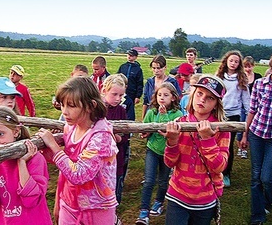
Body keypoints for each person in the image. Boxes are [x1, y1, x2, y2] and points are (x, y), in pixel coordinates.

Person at [38, 76, 119, 225]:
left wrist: (55, 147)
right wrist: (47, 151)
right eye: (62, 105)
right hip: (69, 201)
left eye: (71, 106)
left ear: (90, 106)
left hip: (97, 208)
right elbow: (68, 161)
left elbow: (80, 174)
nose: (65, 111)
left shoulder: (101, 137)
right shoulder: (71, 127)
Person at [163, 75, 230, 225]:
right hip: (178, 194)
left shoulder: (222, 129)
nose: (203, 100)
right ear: (193, 95)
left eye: (210, 98)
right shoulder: (179, 123)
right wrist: (172, 141)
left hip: (205, 198)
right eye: (199, 94)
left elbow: (219, 167)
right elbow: (169, 163)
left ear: (216, 104)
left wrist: (207, 139)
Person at [0, 106, 52, 225]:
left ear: (16, 131)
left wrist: (22, 164)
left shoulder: (35, 159)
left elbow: (31, 200)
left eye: (0, 134)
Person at [240, 44, 272, 225]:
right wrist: (245, 135)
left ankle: (270, 198)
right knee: (255, 177)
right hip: (256, 135)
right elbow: (252, 111)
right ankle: (258, 215)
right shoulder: (260, 84)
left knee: (267, 177)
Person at [136, 82, 183, 225]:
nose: (162, 98)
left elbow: (171, 130)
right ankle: (144, 211)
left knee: (163, 181)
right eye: (159, 95)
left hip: (168, 152)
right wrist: (145, 133)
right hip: (153, 149)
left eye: (166, 95)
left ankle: (158, 202)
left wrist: (163, 118)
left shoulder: (178, 114)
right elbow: (146, 127)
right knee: (149, 181)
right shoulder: (152, 112)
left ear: (173, 98)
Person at [216, 50, 250, 187]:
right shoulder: (219, 77)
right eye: (231, 60)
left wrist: (248, 115)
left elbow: (246, 100)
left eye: (236, 61)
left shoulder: (241, 79)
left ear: (239, 64)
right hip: (218, 114)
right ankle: (214, 170)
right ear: (226, 61)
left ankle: (226, 173)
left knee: (227, 146)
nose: (233, 63)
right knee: (214, 142)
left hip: (233, 115)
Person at [101, 74, 130, 207]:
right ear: (104, 90)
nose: (118, 99)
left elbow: (125, 136)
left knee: (114, 192)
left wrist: (119, 138)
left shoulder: (121, 111)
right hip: (99, 160)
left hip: (116, 158)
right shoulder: (97, 109)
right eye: (114, 94)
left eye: (121, 95)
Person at [236, 56, 262, 159]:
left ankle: (245, 149)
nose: (247, 69)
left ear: (253, 66)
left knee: (249, 129)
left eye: (249, 66)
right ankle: (240, 147)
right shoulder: (240, 77)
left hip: (253, 108)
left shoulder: (258, 77)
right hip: (241, 107)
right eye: (245, 66)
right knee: (240, 129)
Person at [142, 55, 182, 119]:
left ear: (165, 67)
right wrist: (143, 117)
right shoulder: (149, 82)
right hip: (152, 114)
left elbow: (178, 99)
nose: (156, 71)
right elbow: (145, 101)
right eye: (154, 68)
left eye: (159, 68)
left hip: (169, 114)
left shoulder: (172, 82)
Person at [117, 48, 144, 120]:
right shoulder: (123, 66)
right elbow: (117, 78)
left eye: (131, 55)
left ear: (135, 57)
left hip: (132, 93)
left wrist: (138, 96)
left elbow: (139, 83)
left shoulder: (138, 69)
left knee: (129, 109)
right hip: (121, 91)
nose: (129, 57)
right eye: (128, 55)